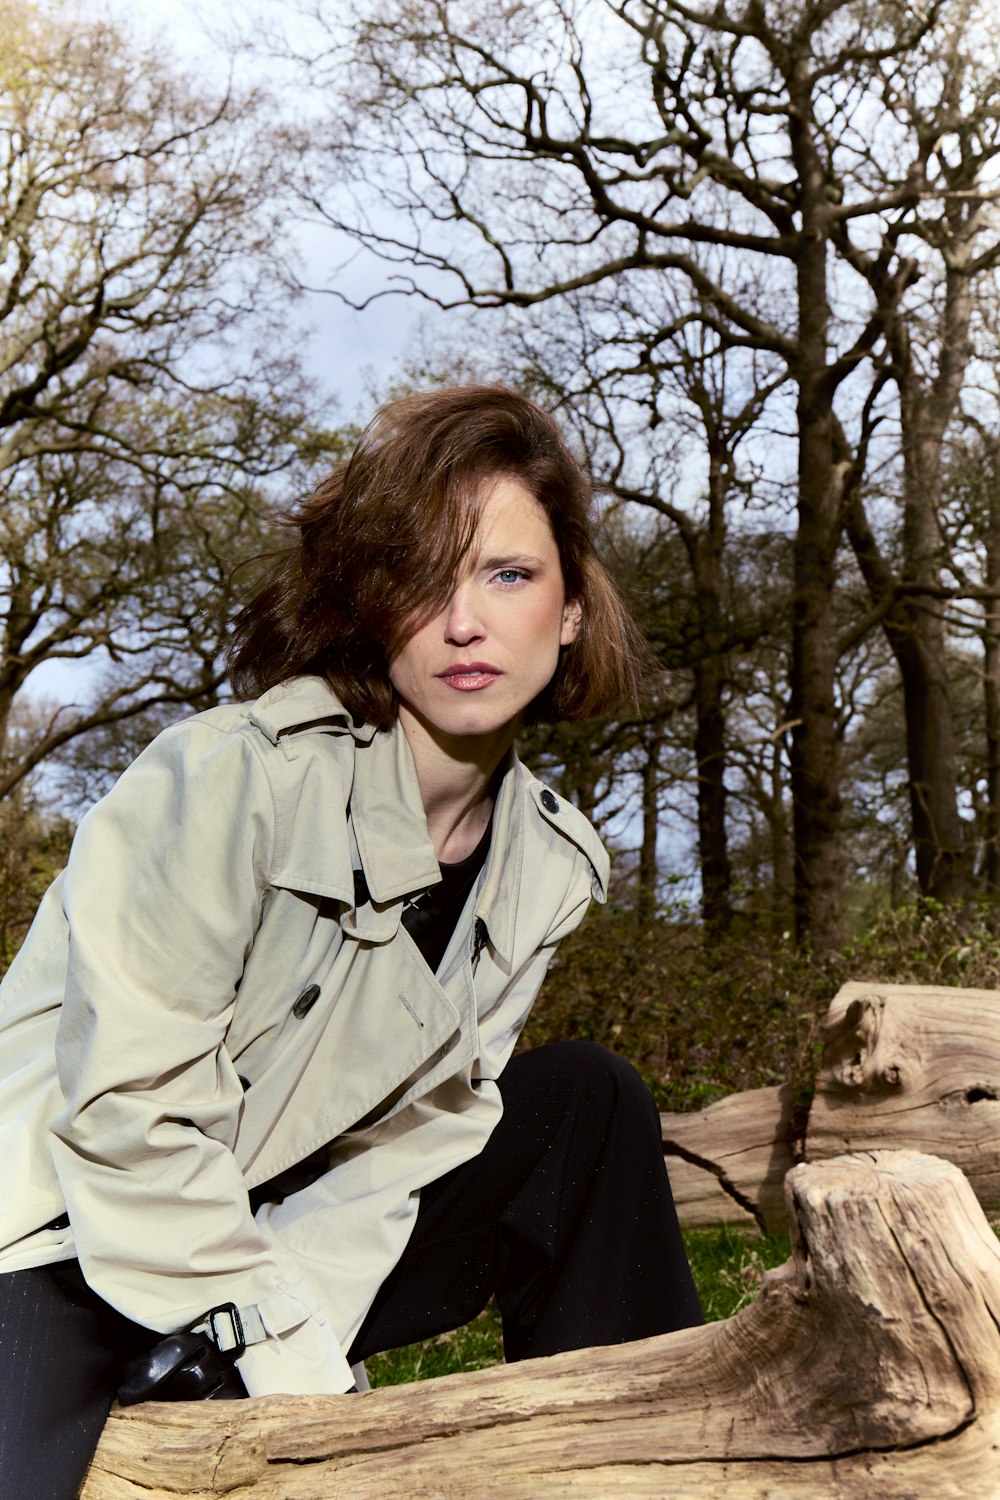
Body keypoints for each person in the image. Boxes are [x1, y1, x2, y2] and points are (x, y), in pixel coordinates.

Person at [0, 385, 702, 1499]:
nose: (466, 623)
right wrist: (269, 1350)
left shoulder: (550, 867)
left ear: (570, 610)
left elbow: (417, 1142)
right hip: (65, 1228)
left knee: (586, 1103)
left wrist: (289, 1336)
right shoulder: (231, 775)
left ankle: (651, 1461)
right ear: (373, 609)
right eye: (427, 579)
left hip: (268, 1229)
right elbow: (127, 1122)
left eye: (509, 575)